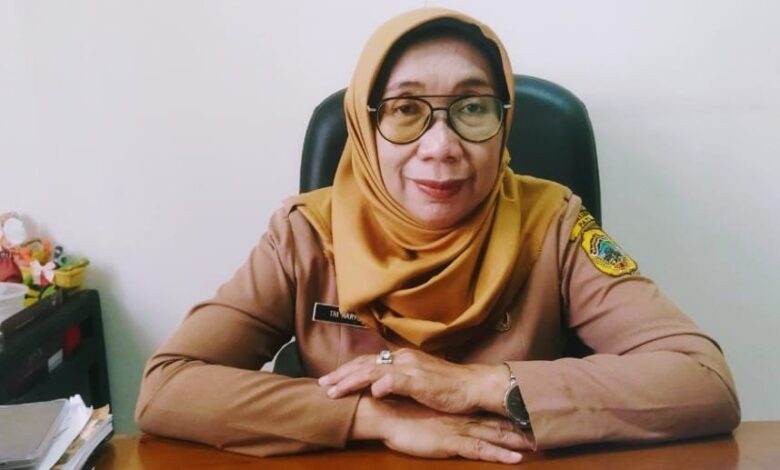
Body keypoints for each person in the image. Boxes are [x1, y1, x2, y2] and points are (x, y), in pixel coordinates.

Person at [135, 8, 740, 464]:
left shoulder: (552, 223)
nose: (441, 146)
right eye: (406, 110)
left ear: (503, 124)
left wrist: (480, 384)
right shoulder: (305, 233)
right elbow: (167, 388)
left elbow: (702, 380)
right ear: (365, 126)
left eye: (472, 108)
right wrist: (375, 419)